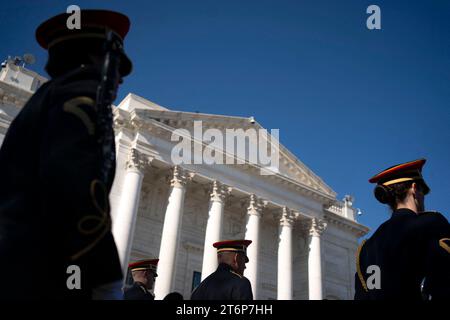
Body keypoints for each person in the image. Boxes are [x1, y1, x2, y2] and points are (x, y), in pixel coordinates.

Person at [0, 10, 133, 299]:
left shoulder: (46, 99)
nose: (121, 78)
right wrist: (105, 272)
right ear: (95, 59)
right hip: (50, 265)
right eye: (117, 65)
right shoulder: (80, 96)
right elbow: (74, 182)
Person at [355, 159, 450, 300]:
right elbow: (444, 279)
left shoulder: (366, 248)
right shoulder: (431, 223)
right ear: (414, 188)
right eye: (423, 192)